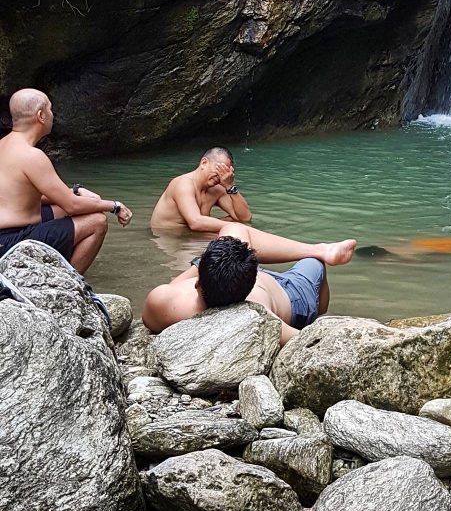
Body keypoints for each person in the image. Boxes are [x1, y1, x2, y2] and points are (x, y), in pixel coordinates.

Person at [150, 146, 357, 267]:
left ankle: (317, 251)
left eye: (226, 171)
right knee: (237, 233)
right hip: (171, 242)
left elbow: (244, 217)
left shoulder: (217, 188)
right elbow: (195, 222)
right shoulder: (182, 183)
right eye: (218, 169)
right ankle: (317, 250)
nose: (220, 175)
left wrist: (230, 186)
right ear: (203, 162)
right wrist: (238, 230)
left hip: (193, 238)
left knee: (236, 225)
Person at [0, 88, 133, 272]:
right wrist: (114, 206)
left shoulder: (4, 145)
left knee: (63, 208)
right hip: (10, 243)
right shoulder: (31, 156)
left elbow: (22, 195)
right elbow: (73, 206)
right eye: (50, 109)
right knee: (96, 222)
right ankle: (68, 287)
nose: (52, 115)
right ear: (41, 116)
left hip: (7, 233)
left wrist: (76, 191)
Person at [142, 225, 334, 343]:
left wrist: (206, 264)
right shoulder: (259, 316)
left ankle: (318, 250)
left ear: (198, 282)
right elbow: (305, 341)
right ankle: (319, 252)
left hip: (237, 278)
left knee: (234, 229)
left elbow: (152, 317)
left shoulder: (162, 301)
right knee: (314, 262)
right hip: (292, 293)